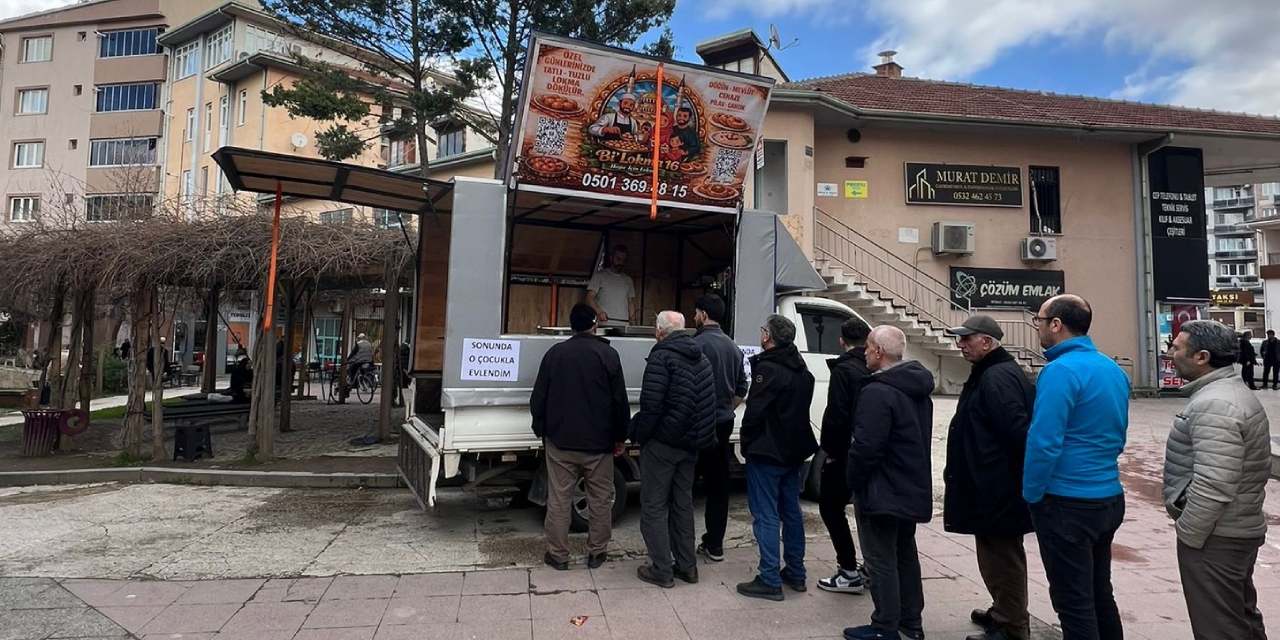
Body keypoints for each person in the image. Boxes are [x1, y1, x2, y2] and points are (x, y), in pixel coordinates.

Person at [1024, 294, 1128, 640]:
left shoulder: (1059, 371)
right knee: (1100, 593)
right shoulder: (1111, 368)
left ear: (1056, 324)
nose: (1037, 327)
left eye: (1039, 321)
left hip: (1066, 501)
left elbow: (1044, 441)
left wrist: (1032, 494)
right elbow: (1119, 435)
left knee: (1073, 601)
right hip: (1108, 497)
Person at [1163, 320, 1270, 640]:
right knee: (1238, 618)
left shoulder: (1215, 404)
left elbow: (1214, 483)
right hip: (1230, 529)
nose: (1171, 353)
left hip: (1217, 536)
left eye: (1177, 348)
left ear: (1202, 357)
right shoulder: (1224, 394)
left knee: (1219, 627)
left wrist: (1190, 534)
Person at [944, 315, 1036, 640]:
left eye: (967, 338)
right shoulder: (992, 372)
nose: (961, 344)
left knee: (1003, 558)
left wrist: (996, 479)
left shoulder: (998, 377)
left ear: (986, 341)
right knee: (995, 554)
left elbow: (1018, 433)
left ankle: (1012, 626)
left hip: (998, 488)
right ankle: (1003, 612)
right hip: (991, 485)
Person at [842, 326, 934, 640]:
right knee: (905, 555)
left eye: (867, 347)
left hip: (881, 488)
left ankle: (885, 627)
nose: (864, 352)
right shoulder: (916, 387)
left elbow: (866, 447)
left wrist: (852, 481)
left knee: (880, 559)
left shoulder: (877, 391)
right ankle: (911, 623)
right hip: (908, 485)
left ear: (879, 352)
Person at [530, 304, 630, 571]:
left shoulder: (555, 354)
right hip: (599, 444)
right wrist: (621, 436)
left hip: (560, 441)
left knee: (559, 499)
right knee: (600, 499)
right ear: (595, 325)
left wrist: (541, 429)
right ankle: (597, 553)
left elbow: (538, 397)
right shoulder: (608, 355)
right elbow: (620, 401)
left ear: (571, 325)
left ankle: (558, 555)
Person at [631, 310, 716, 588]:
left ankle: (661, 569)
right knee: (682, 504)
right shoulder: (701, 358)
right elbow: (707, 404)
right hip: (690, 446)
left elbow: (651, 406)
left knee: (654, 506)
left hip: (663, 445)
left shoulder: (661, 356)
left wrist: (641, 435)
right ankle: (687, 567)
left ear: (659, 331)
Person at [736, 314, 817, 602]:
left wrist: (747, 443)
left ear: (768, 336)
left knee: (766, 514)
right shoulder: (801, 369)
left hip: (768, 450)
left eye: (762, 330)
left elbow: (755, 413)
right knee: (791, 512)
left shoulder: (768, 369)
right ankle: (796, 572)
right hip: (793, 449)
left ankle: (769, 577)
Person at [815, 317, 872, 595]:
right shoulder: (874, 367)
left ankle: (848, 570)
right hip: (868, 450)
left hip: (844, 452)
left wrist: (831, 453)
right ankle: (872, 567)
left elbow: (837, 416)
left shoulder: (844, 370)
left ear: (841, 341)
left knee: (830, 507)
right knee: (865, 511)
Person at [691, 294, 748, 563]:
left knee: (682, 485)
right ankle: (715, 545)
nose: (694, 318)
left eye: (695, 313)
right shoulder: (733, 347)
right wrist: (726, 407)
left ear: (703, 314)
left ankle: (679, 545)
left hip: (696, 424)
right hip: (723, 424)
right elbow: (741, 389)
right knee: (718, 487)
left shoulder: (695, 345)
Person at [586, 245, 636, 327]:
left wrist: (633, 322)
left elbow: (631, 303)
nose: (621, 263)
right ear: (611, 258)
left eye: (623, 260)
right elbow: (589, 298)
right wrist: (599, 312)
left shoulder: (628, 280)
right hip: (603, 326)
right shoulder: (599, 276)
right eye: (618, 259)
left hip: (624, 327)